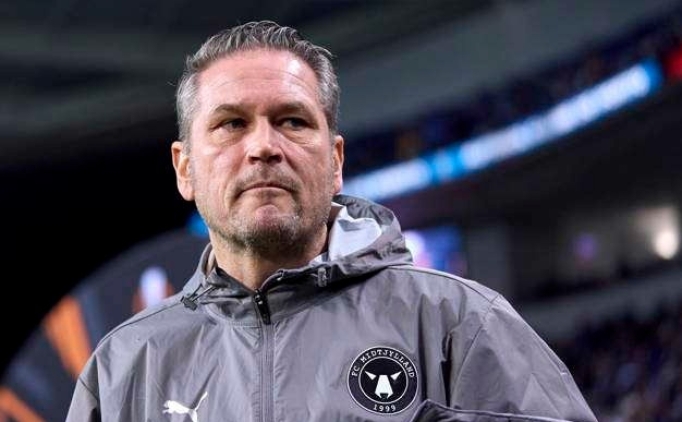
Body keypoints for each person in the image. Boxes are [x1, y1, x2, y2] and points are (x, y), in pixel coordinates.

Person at [66, 20, 597, 422]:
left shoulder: (460, 323)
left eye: (292, 121)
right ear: (185, 168)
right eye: (231, 124)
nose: (264, 146)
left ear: (335, 161)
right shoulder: (123, 367)